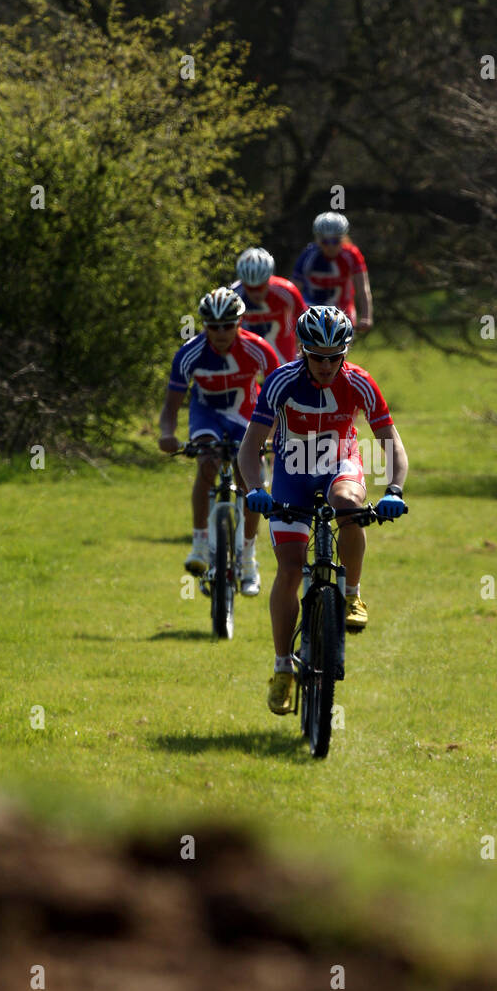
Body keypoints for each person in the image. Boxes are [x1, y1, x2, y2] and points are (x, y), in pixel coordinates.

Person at [237, 305, 408, 715]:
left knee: (349, 505)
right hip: (292, 473)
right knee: (291, 568)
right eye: (319, 356)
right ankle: (282, 668)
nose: (328, 364)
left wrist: (395, 490)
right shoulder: (280, 382)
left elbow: (391, 443)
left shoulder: (360, 383)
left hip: (338, 464)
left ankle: (352, 595)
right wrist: (256, 489)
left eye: (336, 356)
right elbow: (249, 448)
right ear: (303, 351)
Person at [158, 286, 280, 596]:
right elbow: (171, 407)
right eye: (214, 326)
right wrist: (167, 434)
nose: (221, 332)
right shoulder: (189, 353)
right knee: (208, 465)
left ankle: (249, 560)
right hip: (207, 414)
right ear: (204, 325)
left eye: (228, 324)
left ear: (240, 322)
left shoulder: (259, 349)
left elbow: (279, 400)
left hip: (246, 415)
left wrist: (273, 437)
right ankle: (199, 544)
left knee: (252, 483)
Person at [291, 212, 373, 334]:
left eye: (335, 241)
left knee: (341, 349)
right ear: (317, 240)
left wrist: (367, 317)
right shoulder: (308, 255)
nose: (330, 247)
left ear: (343, 238)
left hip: (343, 309)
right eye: (325, 242)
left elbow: (363, 289)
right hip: (311, 307)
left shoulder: (352, 255)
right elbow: (294, 289)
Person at [231, 247, 307, 365]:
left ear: (268, 279)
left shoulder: (287, 291)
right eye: (250, 288)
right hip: (247, 350)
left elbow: (304, 325)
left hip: (282, 348)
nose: (256, 293)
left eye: (260, 287)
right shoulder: (234, 295)